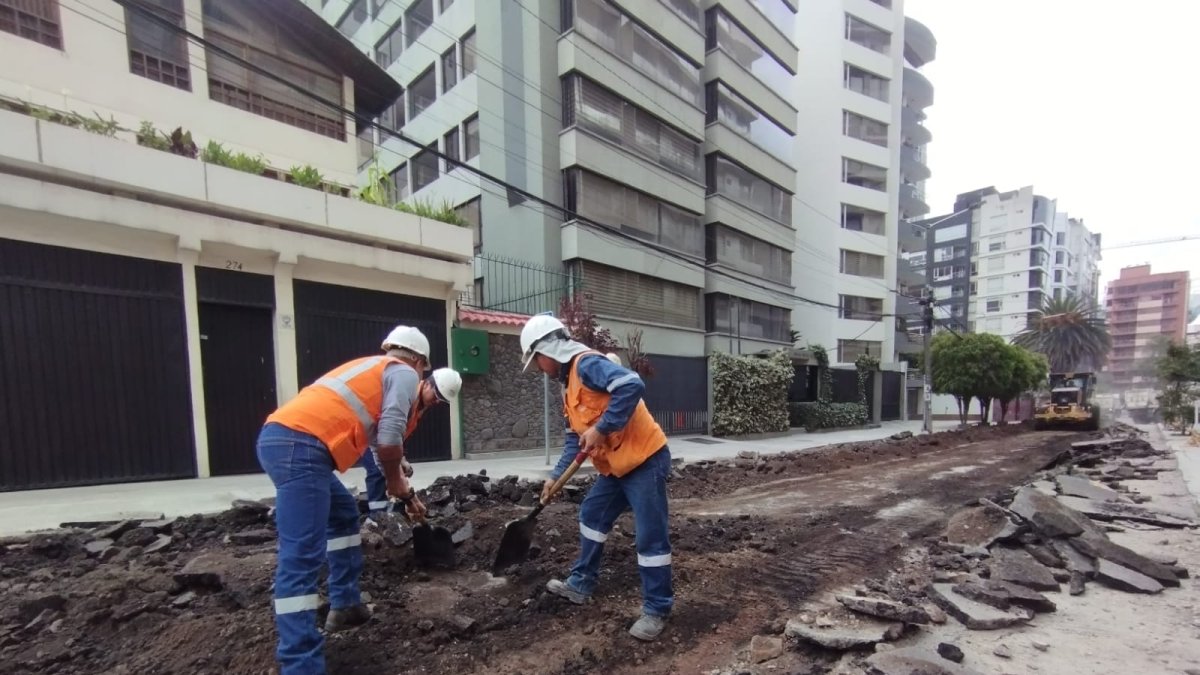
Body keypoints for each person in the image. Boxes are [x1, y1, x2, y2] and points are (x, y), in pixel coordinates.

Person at [255, 325, 436, 675]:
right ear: (419, 362)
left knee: (341, 516)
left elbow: (376, 440)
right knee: (301, 557)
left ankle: (346, 604)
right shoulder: (402, 374)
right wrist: (396, 480)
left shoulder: (371, 369)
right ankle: (300, 664)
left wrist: (398, 473)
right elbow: (388, 436)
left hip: (287, 441)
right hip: (300, 447)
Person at [519, 313, 673, 641]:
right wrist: (555, 477)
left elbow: (632, 384)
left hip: (645, 459)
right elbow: (574, 438)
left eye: (536, 361)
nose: (538, 369)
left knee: (650, 536)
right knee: (591, 514)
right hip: (616, 467)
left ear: (547, 351)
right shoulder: (567, 387)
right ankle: (582, 582)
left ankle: (657, 608)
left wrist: (602, 428)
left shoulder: (586, 365)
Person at [359, 367, 463, 518]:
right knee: (378, 472)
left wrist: (401, 460)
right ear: (427, 384)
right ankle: (379, 516)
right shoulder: (407, 396)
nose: (437, 401)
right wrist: (400, 484)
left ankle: (385, 510)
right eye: (437, 395)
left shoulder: (418, 406)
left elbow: (397, 436)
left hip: (381, 437)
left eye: (442, 399)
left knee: (389, 472)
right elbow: (385, 438)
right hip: (369, 436)